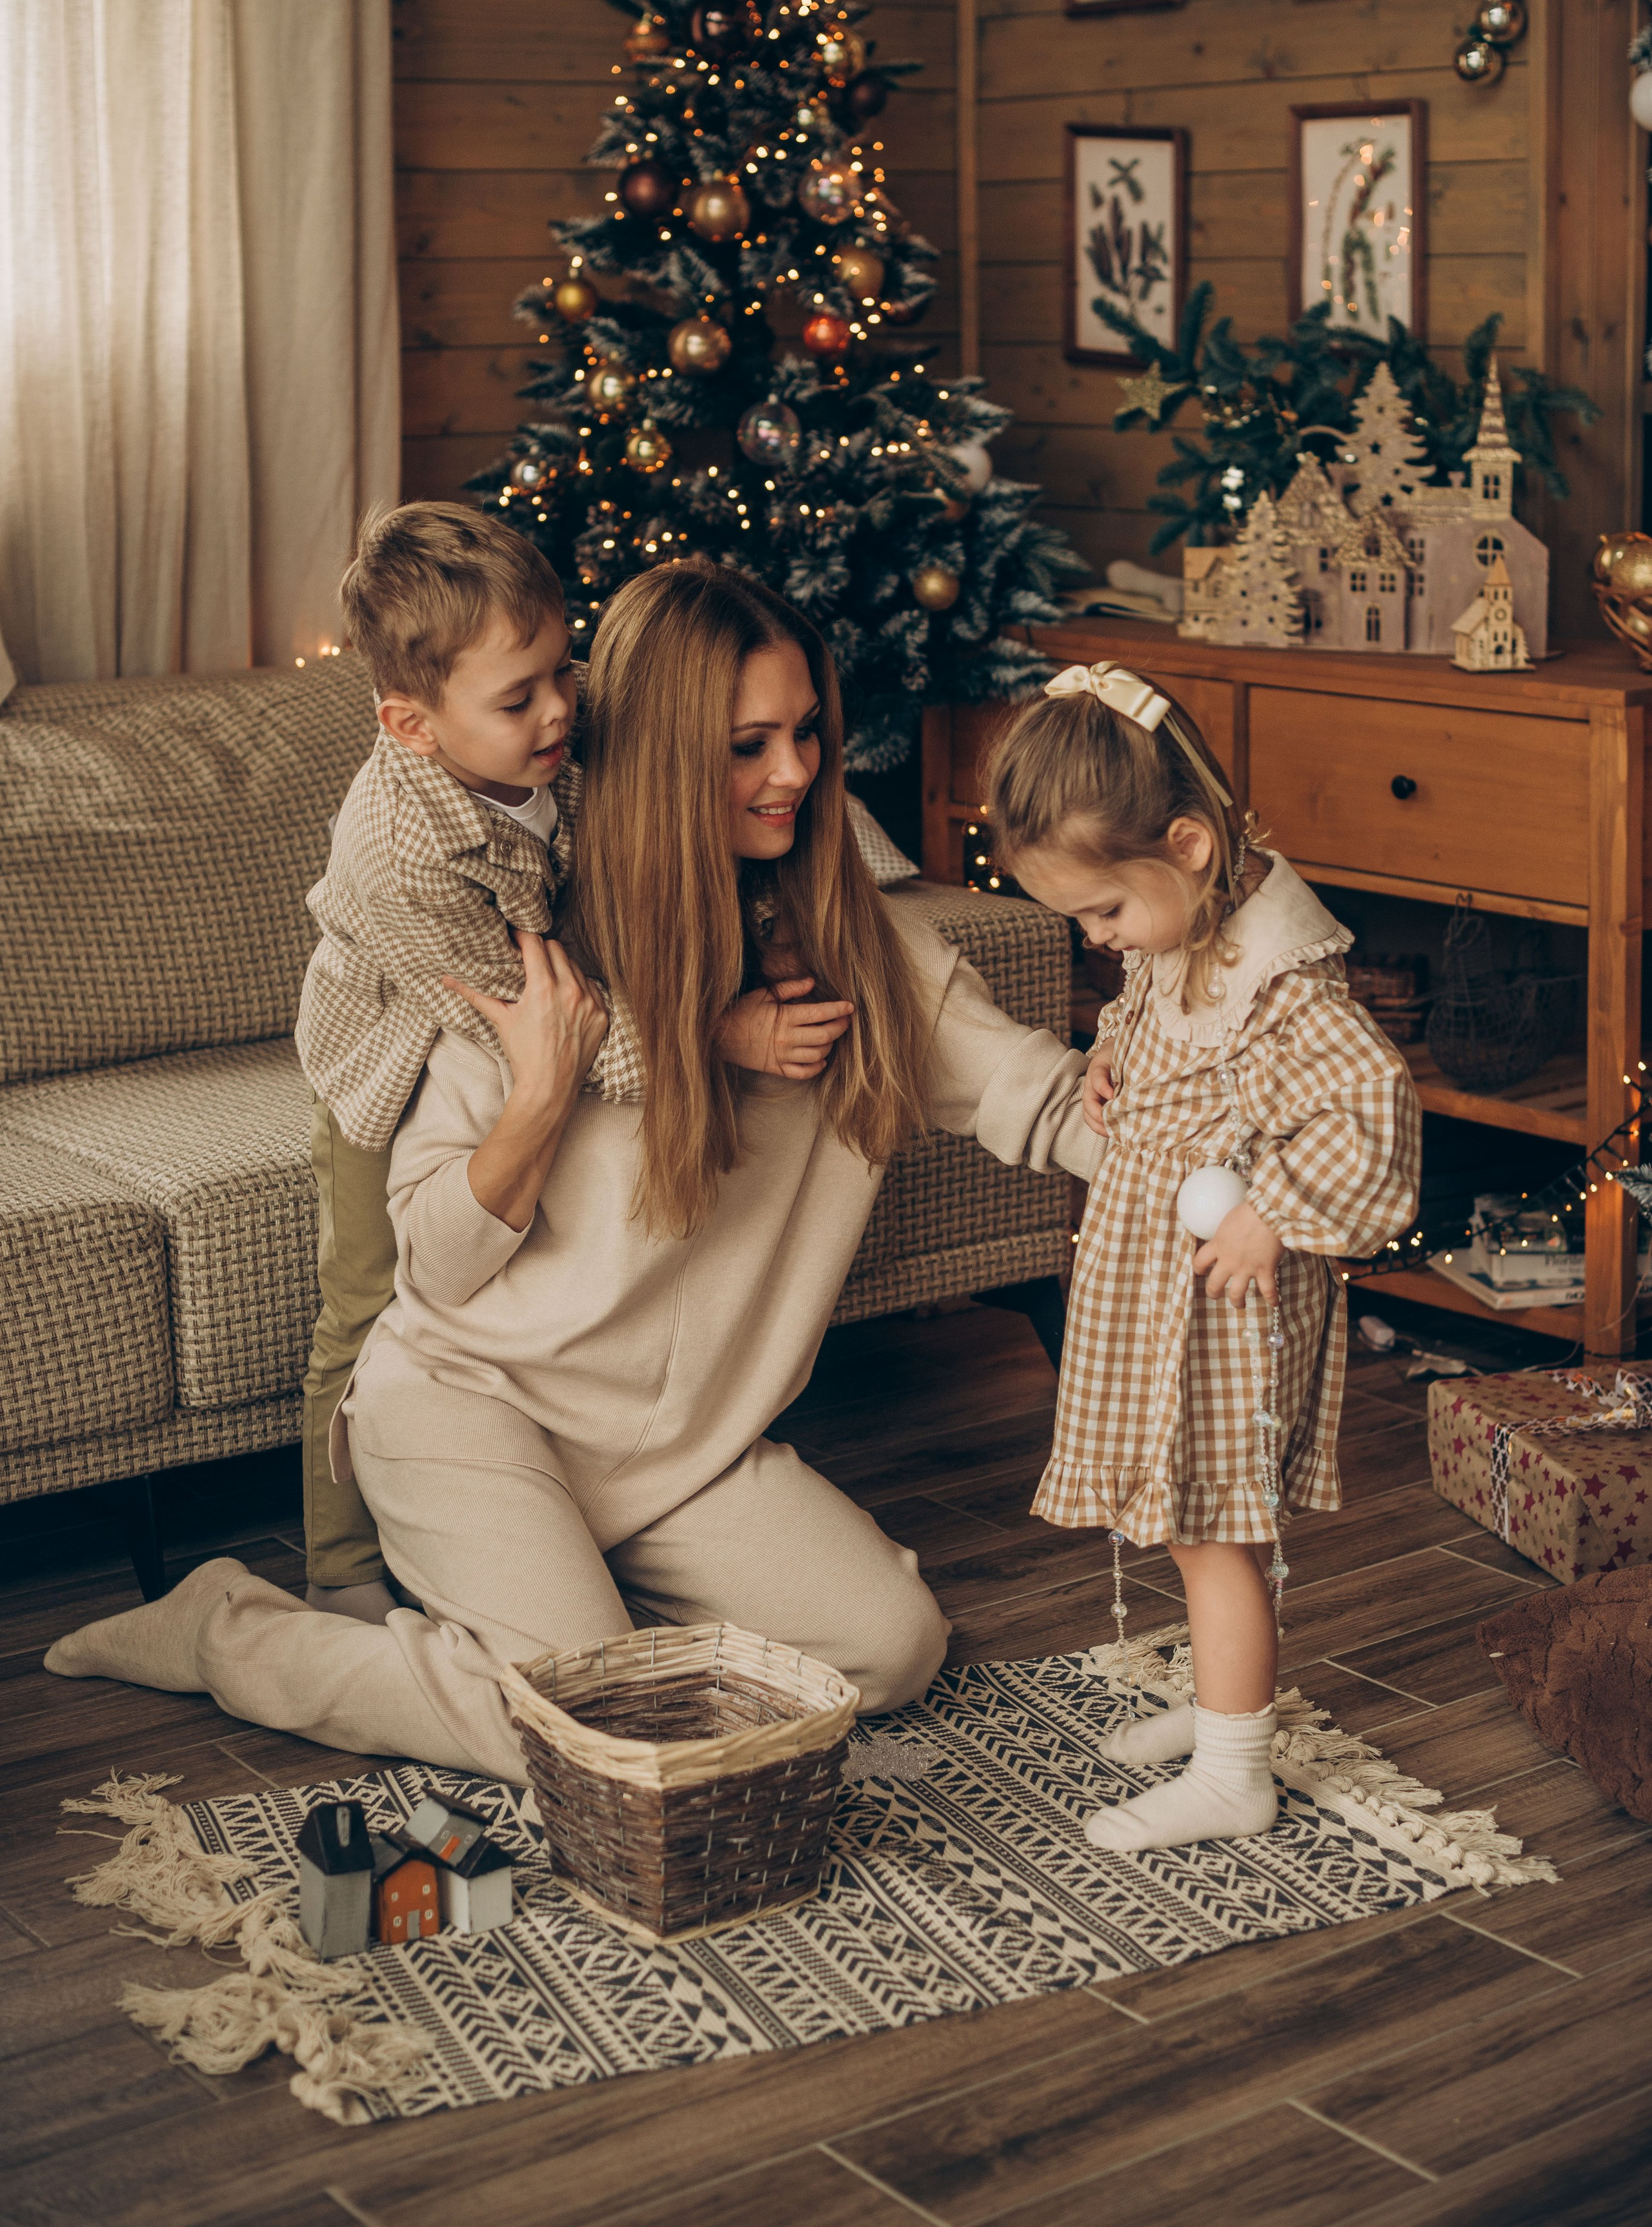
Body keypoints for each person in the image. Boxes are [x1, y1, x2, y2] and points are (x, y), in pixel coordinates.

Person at [45, 563, 1102, 1780]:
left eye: (809, 732)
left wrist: (1200, 1157)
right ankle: (232, 1632)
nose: (799, 773)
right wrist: (542, 1092)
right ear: (658, 759)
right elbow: (436, 1262)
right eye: (749, 744)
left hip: (683, 1460)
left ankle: (570, 1637)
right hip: (471, 1411)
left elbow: (1048, 1097)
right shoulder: (527, 954)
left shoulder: (870, 952)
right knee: (594, 1739)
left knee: (892, 1653)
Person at [294, 505, 856, 1624]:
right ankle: (343, 1566)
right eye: (520, 700)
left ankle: (586, 1531)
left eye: (563, 668)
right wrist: (723, 1032)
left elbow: (676, 789)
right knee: (368, 1298)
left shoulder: (565, 713)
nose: (560, 707)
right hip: (407, 1039)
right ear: (411, 723)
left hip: (554, 980)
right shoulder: (405, 854)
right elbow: (556, 1025)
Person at [984, 658, 1420, 1853]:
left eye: (1102, 913)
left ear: (1185, 844)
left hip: (1224, 1307)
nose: (1097, 937)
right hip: (1163, 1293)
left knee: (1212, 1526)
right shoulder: (1188, 920)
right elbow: (1150, 994)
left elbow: (1371, 1107)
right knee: (1183, 1519)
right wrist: (1114, 1051)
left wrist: (1271, 1209)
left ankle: (1237, 1770)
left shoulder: (1288, 994)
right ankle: (1224, 1705)